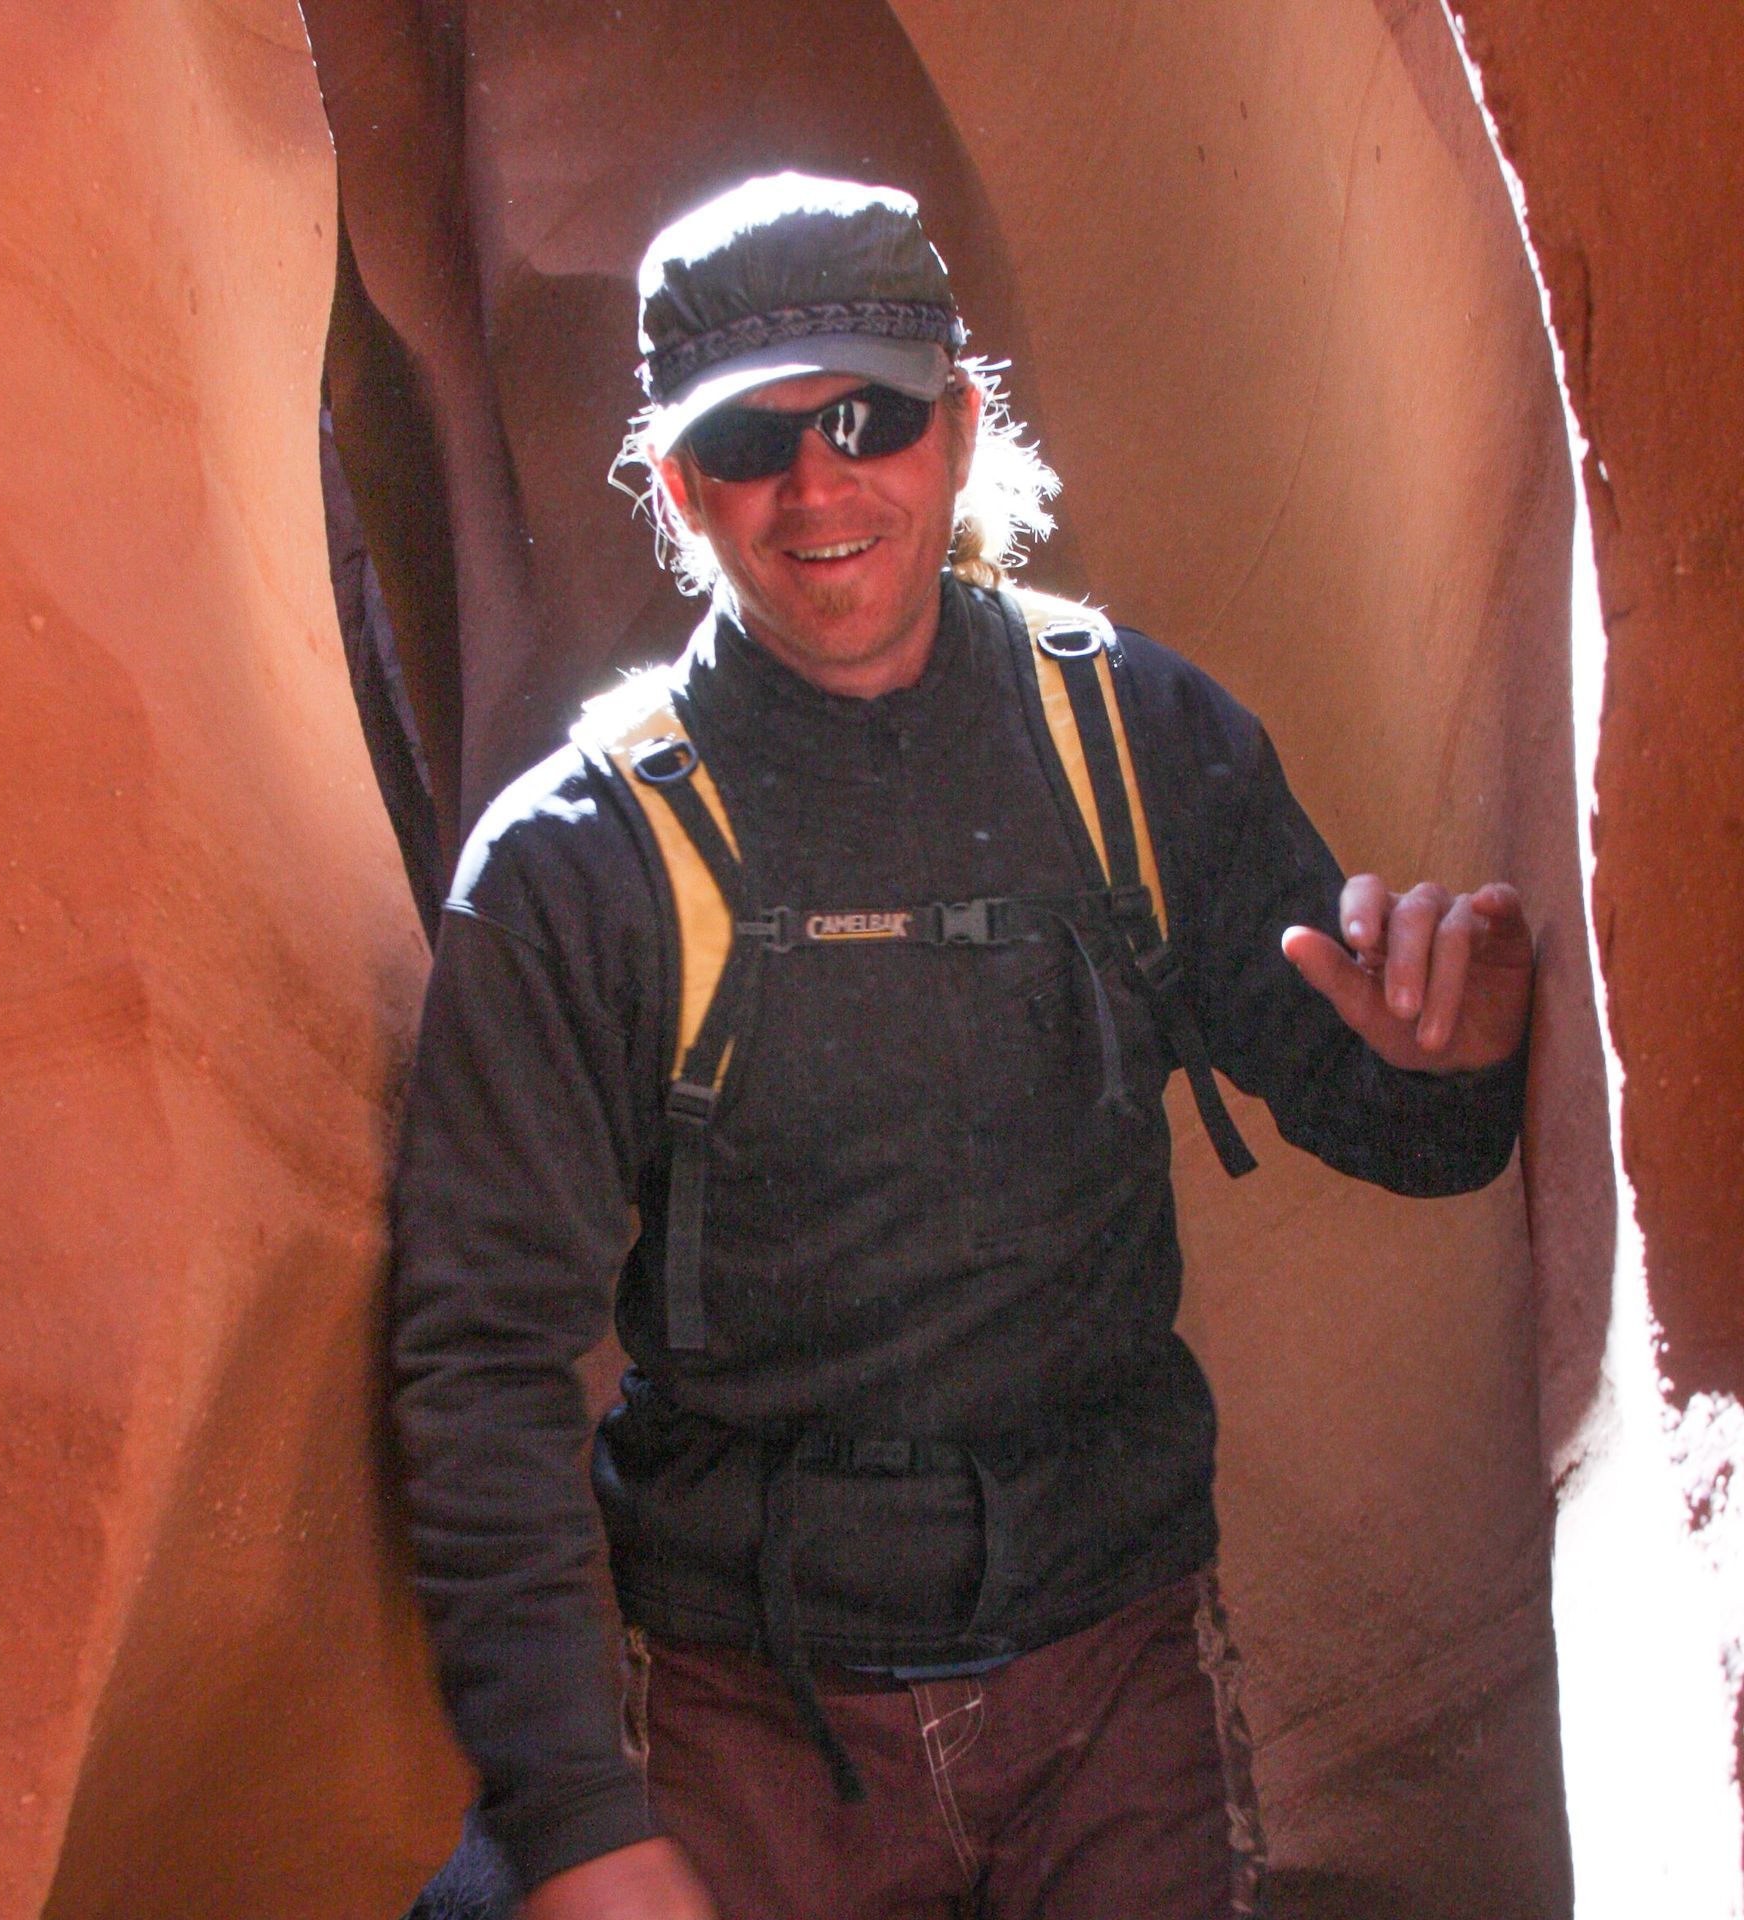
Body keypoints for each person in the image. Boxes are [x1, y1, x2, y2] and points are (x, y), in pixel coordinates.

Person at [391, 172, 1535, 1920]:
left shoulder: (1130, 738)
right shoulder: (574, 868)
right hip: (741, 1717)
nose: (820, 485)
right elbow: (480, 1367)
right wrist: (573, 1822)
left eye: (871, 417)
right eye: (753, 443)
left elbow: (1404, 1129)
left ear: (962, 421)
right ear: (679, 485)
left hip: (1110, 1688)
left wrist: (1451, 1064)